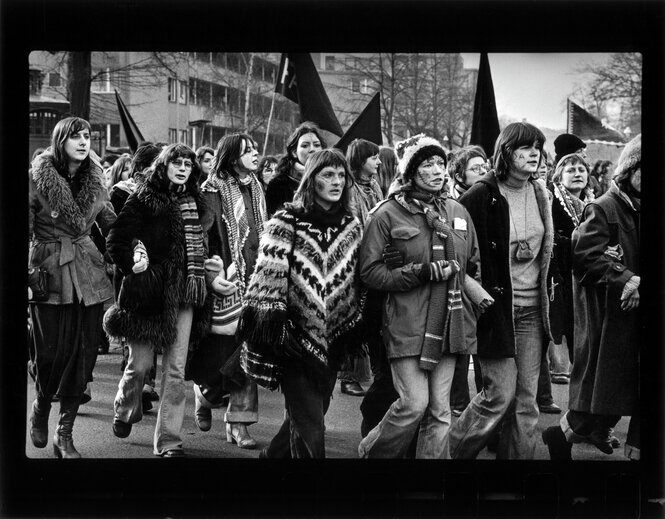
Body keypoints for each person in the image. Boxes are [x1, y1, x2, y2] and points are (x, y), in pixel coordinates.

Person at [357, 134, 487, 459]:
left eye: (441, 163)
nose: (437, 170)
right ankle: (370, 453)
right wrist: (420, 272)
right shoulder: (386, 214)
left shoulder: (457, 210)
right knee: (414, 404)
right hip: (406, 322)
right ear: (411, 171)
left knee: (441, 411)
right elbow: (369, 273)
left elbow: (473, 262)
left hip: (450, 322)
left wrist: (470, 301)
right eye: (427, 164)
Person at [238, 148, 364, 458]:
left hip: (336, 336)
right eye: (328, 175)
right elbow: (266, 278)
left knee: (312, 414)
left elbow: (356, 281)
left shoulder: (352, 225)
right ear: (312, 179)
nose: (336, 182)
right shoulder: (286, 220)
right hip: (292, 338)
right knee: (311, 428)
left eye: (341, 176)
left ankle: (273, 457)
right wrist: (277, 327)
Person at [448, 122, 555, 460]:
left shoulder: (542, 193)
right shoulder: (480, 194)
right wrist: (476, 291)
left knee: (526, 400)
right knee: (500, 394)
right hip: (495, 311)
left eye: (537, 147)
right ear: (507, 152)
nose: (534, 153)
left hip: (533, 311)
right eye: (525, 147)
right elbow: (455, 252)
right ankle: (445, 455)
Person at [104, 143, 209, 457]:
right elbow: (116, 239)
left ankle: (168, 441)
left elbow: (204, 246)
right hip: (148, 294)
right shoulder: (144, 198)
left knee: (175, 371)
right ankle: (124, 408)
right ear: (164, 165)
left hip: (185, 296)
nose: (181, 168)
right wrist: (132, 263)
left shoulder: (197, 203)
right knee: (140, 366)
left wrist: (210, 264)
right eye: (175, 162)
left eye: (187, 164)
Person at [542, 134, 641, 460]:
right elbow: (584, 256)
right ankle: (563, 436)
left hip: (632, 314)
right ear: (631, 169)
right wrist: (626, 279)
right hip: (610, 316)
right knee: (606, 391)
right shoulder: (604, 206)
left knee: (622, 391)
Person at [28, 116, 116, 458]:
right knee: (49, 354)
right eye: (75, 136)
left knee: (83, 357)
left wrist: (131, 245)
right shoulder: (37, 178)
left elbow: (110, 221)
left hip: (87, 274)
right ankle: (41, 405)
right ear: (59, 140)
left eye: (88, 136)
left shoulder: (96, 180)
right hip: (49, 269)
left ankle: (64, 434)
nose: (83, 142)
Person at [186, 132, 266, 449]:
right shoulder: (210, 193)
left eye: (256, 149)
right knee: (219, 361)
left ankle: (240, 425)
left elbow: (263, 233)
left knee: (249, 356)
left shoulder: (257, 189)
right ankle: (205, 395)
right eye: (248, 151)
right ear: (233, 158)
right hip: (224, 283)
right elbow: (201, 240)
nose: (256, 154)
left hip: (256, 284)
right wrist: (212, 273)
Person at [445, 145, 491, 416]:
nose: (483, 172)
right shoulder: (450, 206)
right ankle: (459, 409)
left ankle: (483, 414)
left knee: (484, 356)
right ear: (459, 174)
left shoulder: (491, 199)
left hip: (485, 285)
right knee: (460, 353)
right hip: (459, 286)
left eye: (485, 167)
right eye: (476, 168)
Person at [337, 138, 383, 397]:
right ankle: (348, 375)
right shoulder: (350, 188)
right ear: (359, 161)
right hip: (355, 260)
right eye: (373, 157)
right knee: (353, 317)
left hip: (373, 256)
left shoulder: (374, 185)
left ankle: (368, 373)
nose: (377, 161)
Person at [265, 122, 326, 215]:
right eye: (305, 145)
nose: (312, 149)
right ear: (294, 152)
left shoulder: (331, 179)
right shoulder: (278, 185)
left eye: (317, 145)